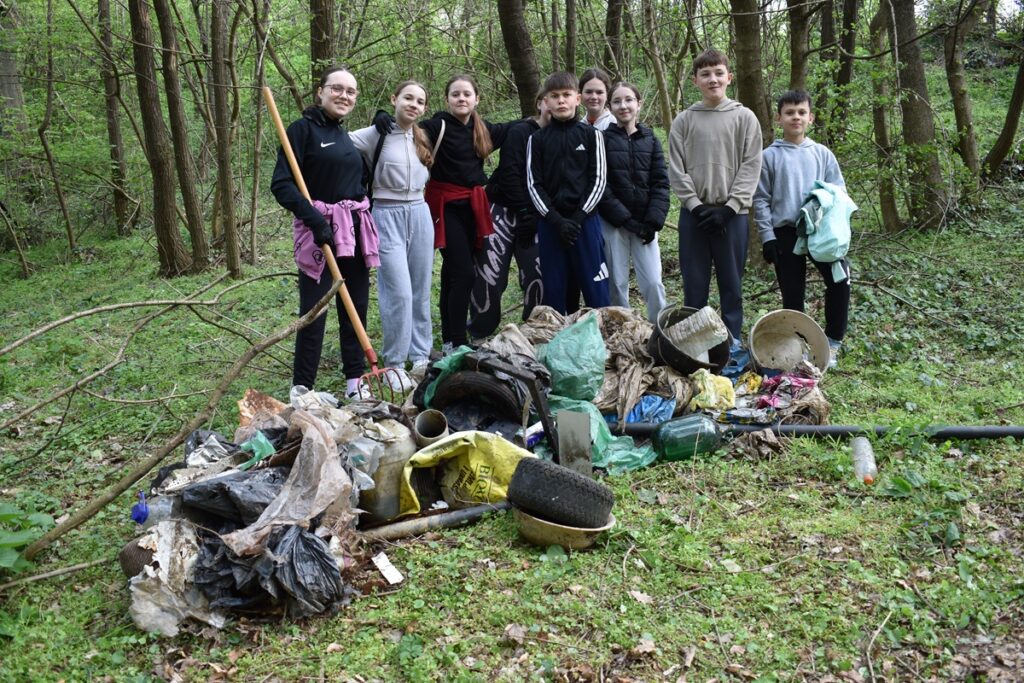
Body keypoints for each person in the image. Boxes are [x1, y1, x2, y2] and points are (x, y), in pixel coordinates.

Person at [271, 66, 380, 400]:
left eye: (351, 91)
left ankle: (354, 381)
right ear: (320, 92)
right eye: (337, 88)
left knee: (355, 305)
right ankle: (303, 388)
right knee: (315, 309)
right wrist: (315, 220)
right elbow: (282, 184)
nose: (344, 95)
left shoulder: (344, 133)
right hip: (319, 234)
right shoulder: (302, 130)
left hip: (354, 232)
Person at [668, 49, 762, 368]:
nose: (713, 79)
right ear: (695, 80)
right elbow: (676, 169)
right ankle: (696, 351)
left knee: (731, 286)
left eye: (719, 72)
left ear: (729, 77)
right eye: (705, 74)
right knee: (695, 287)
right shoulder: (684, 120)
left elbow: (751, 165)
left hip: (731, 217)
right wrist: (695, 207)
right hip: (694, 217)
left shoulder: (744, 117)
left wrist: (730, 208)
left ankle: (731, 347)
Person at [754, 89, 849, 368]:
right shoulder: (769, 156)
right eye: (789, 113)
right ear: (778, 118)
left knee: (839, 282)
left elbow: (838, 192)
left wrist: (833, 222)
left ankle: (832, 343)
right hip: (786, 233)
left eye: (801, 112)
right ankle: (798, 346)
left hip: (822, 233)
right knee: (793, 293)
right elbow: (760, 200)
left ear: (811, 118)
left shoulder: (822, 154)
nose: (796, 117)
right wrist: (767, 237)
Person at [348, 81, 434, 388]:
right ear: (394, 98)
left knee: (420, 288)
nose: (413, 104)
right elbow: (338, 142)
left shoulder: (422, 136)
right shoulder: (377, 134)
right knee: (396, 291)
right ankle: (395, 363)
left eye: (420, 101)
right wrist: (378, 117)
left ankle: (421, 355)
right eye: (407, 98)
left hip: (420, 213)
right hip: (386, 214)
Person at [421, 75, 514, 354]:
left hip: (472, 207)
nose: (461, 99)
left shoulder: (481, 129)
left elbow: (515, 129)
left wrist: (541, 116)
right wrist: (382, 118)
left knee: (452, 274)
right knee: (463, 273)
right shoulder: (436, 126)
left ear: (477, 99)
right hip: (445, 206)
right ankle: (458, 340)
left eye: (467, 94)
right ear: (447, 99)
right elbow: (405, 127)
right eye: (455, 94)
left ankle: (450, 339)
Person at [467, 92, 550, 340]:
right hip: (500, 210)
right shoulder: (521, 131)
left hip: (537, 215)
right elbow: (511, 173)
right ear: (539, 102)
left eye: (563, 96)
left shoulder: (564, 135)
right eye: (550, 97)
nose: (556, 102)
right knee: (489, 276)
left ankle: (535, 332)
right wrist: (525, 210)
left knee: (537, 274)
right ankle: (481, 333)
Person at [527, 71, 610, 313]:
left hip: (586, 224)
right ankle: (560, 345)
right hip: (551, 226)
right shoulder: (537, 139)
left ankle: (601, 344)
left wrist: (577, 218)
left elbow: (599, 180)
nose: (561, 101)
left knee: (596, 290)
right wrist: (556, 220)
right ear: (546, 102)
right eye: (554, 96)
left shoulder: (592, 135)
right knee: (555, 291)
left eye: (566, 95)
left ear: (577, 98)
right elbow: (534, 184)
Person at [598, 82, 669, 322]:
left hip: (645, 225)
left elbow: (660, 182)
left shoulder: (650, 139)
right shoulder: (602, 140)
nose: (623, 105)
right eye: (617, 101)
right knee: (617, 283)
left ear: (639, 104)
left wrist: (652, 222)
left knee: (653, 281)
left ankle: (659, 331)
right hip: (614, 224)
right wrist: (624, 219)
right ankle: (623, 330)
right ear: (610, 107)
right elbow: (601, 185)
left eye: (629, 100)